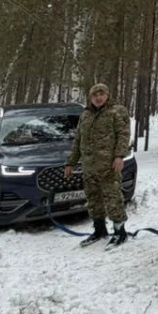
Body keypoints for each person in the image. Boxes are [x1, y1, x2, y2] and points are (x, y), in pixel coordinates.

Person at [65, 84, 130, 249]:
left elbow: (123, 135)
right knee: (93, 199)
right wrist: (71, 163)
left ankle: (119, 231)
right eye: (95, 95)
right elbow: (78, 140)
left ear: (107, 95)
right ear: (90, 97)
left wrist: (119, 156)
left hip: (108, 165)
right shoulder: (85, 115)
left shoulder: (116, 111)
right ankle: (99, 229)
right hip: (89, 167)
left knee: (113, 198)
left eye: (101, 94)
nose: (98, 97)